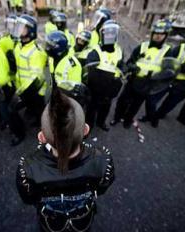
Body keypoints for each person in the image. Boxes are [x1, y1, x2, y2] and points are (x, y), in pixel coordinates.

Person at [16, 82, 114, 232]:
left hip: (50, 223)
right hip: (83, 221)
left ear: (41, 137)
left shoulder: (27, 166)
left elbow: (29, 199)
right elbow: (101, 189)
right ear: (86, 129)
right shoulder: (103, 159)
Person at [111, 20, 173, 128]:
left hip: (148, 83)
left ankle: (127, 121)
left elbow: (168, 70)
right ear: (152, 34)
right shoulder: (143, 46)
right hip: (133, 79)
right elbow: (130, 61)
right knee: (122, 101)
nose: (158, 36)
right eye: (156, 33)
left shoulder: (168, 51)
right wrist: (132, 67)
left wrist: (156, 77)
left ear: (165, 36)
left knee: (135, 105)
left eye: (161, 34)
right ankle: (117, 117)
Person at [11, 14, 47, 143]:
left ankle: (42, 132)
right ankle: (37, 122)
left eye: (23, 28)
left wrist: (24, 92)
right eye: (18, 27)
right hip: (23, 87)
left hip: (34, 90)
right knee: (33, 109)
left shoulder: (36, 52)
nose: (19, 30)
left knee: (39, 112)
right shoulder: (18, 46)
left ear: (30, 31)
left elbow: (37, 78)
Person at [86, 20, 124, 131]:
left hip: (111, 87)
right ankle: (88, 127)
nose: (110, 36)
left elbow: (121, 65)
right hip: (97, 87)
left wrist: (124, 69)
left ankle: (101, 122)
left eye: (112, 34)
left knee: (106, 107)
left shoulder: (118, 50)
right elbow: (90, 70)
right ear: (102, 35)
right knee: (92, 109)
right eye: (107, 33)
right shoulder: (95, 51)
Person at [45, 30, 83, 104]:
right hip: (54, 95)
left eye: (50, 46)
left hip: (66, 100)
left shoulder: (73, 65)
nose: (47, 48)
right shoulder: (52, 57)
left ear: (58, 48)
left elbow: (74, 89)